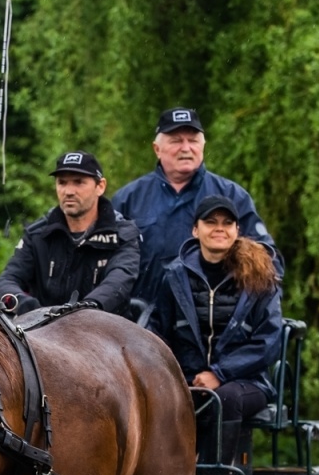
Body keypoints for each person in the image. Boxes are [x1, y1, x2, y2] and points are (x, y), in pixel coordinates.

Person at [111, 107, 278, 324]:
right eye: (176, 140)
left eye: (193, 140)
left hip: (211, 327)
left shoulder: (232, 196)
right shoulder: (127, 199)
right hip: (140, 324)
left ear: (203, 145)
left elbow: (268, 261)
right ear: (157, 148)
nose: (186, 148)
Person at [151, 196, 283, 464]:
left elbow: (269, 341)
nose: (219, 228)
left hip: (247, 382)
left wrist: (220, 374)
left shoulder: (260, 276)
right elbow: (157, 331)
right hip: (186, 378)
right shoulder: (174, 277)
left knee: (224, 399)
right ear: (195, 230)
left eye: (227, 222)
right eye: (210, 222)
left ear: (237, 230)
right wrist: (172, 376)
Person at [0, 150, 141, 315]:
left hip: (105, 333)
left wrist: (81, 311)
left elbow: (116, 286)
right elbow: (5, 282)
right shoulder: (38, 234)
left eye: (79, 182)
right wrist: (30, 309)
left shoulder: (122, 235)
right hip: (41, 332)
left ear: (100, 186)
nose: (69, 191)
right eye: (62, 182)